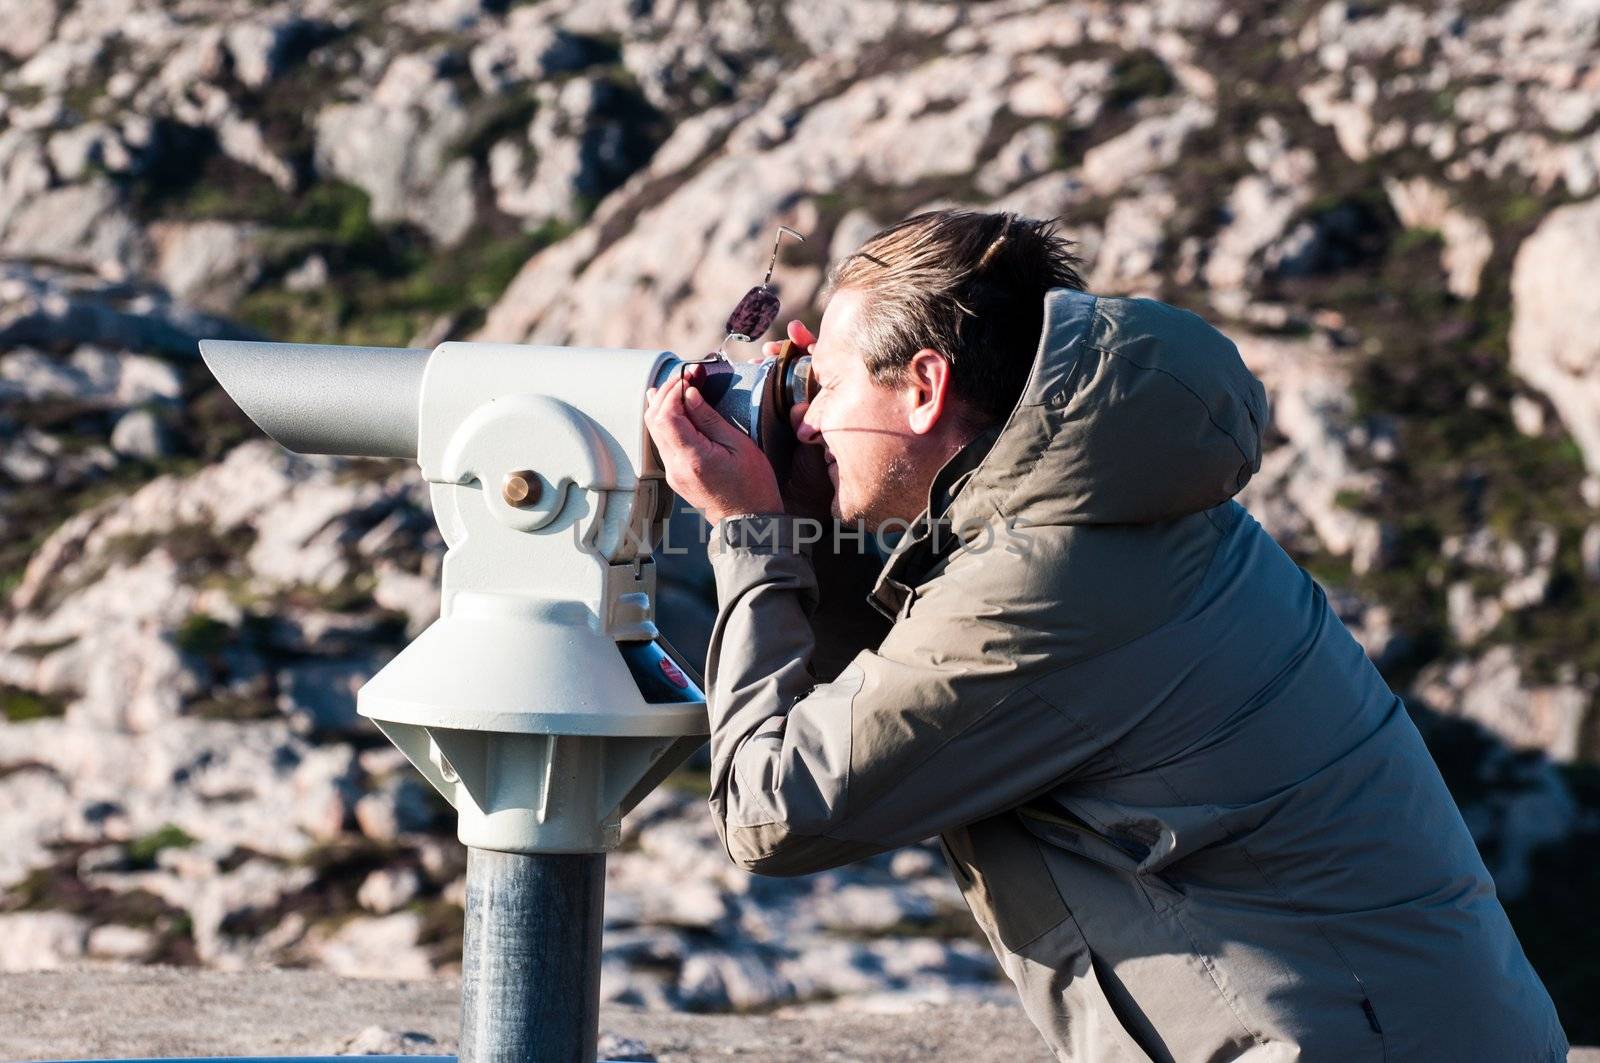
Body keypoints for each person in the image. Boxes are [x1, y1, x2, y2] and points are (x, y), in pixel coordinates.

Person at [643, 209, 1566, 1061]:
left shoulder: (1043, 579)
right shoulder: (1104, 494)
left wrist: (753, 534)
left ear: (926, 387)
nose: (804, 414)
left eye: (827, 383)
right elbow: (913, 679)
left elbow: (774, 811)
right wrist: (816, 519)